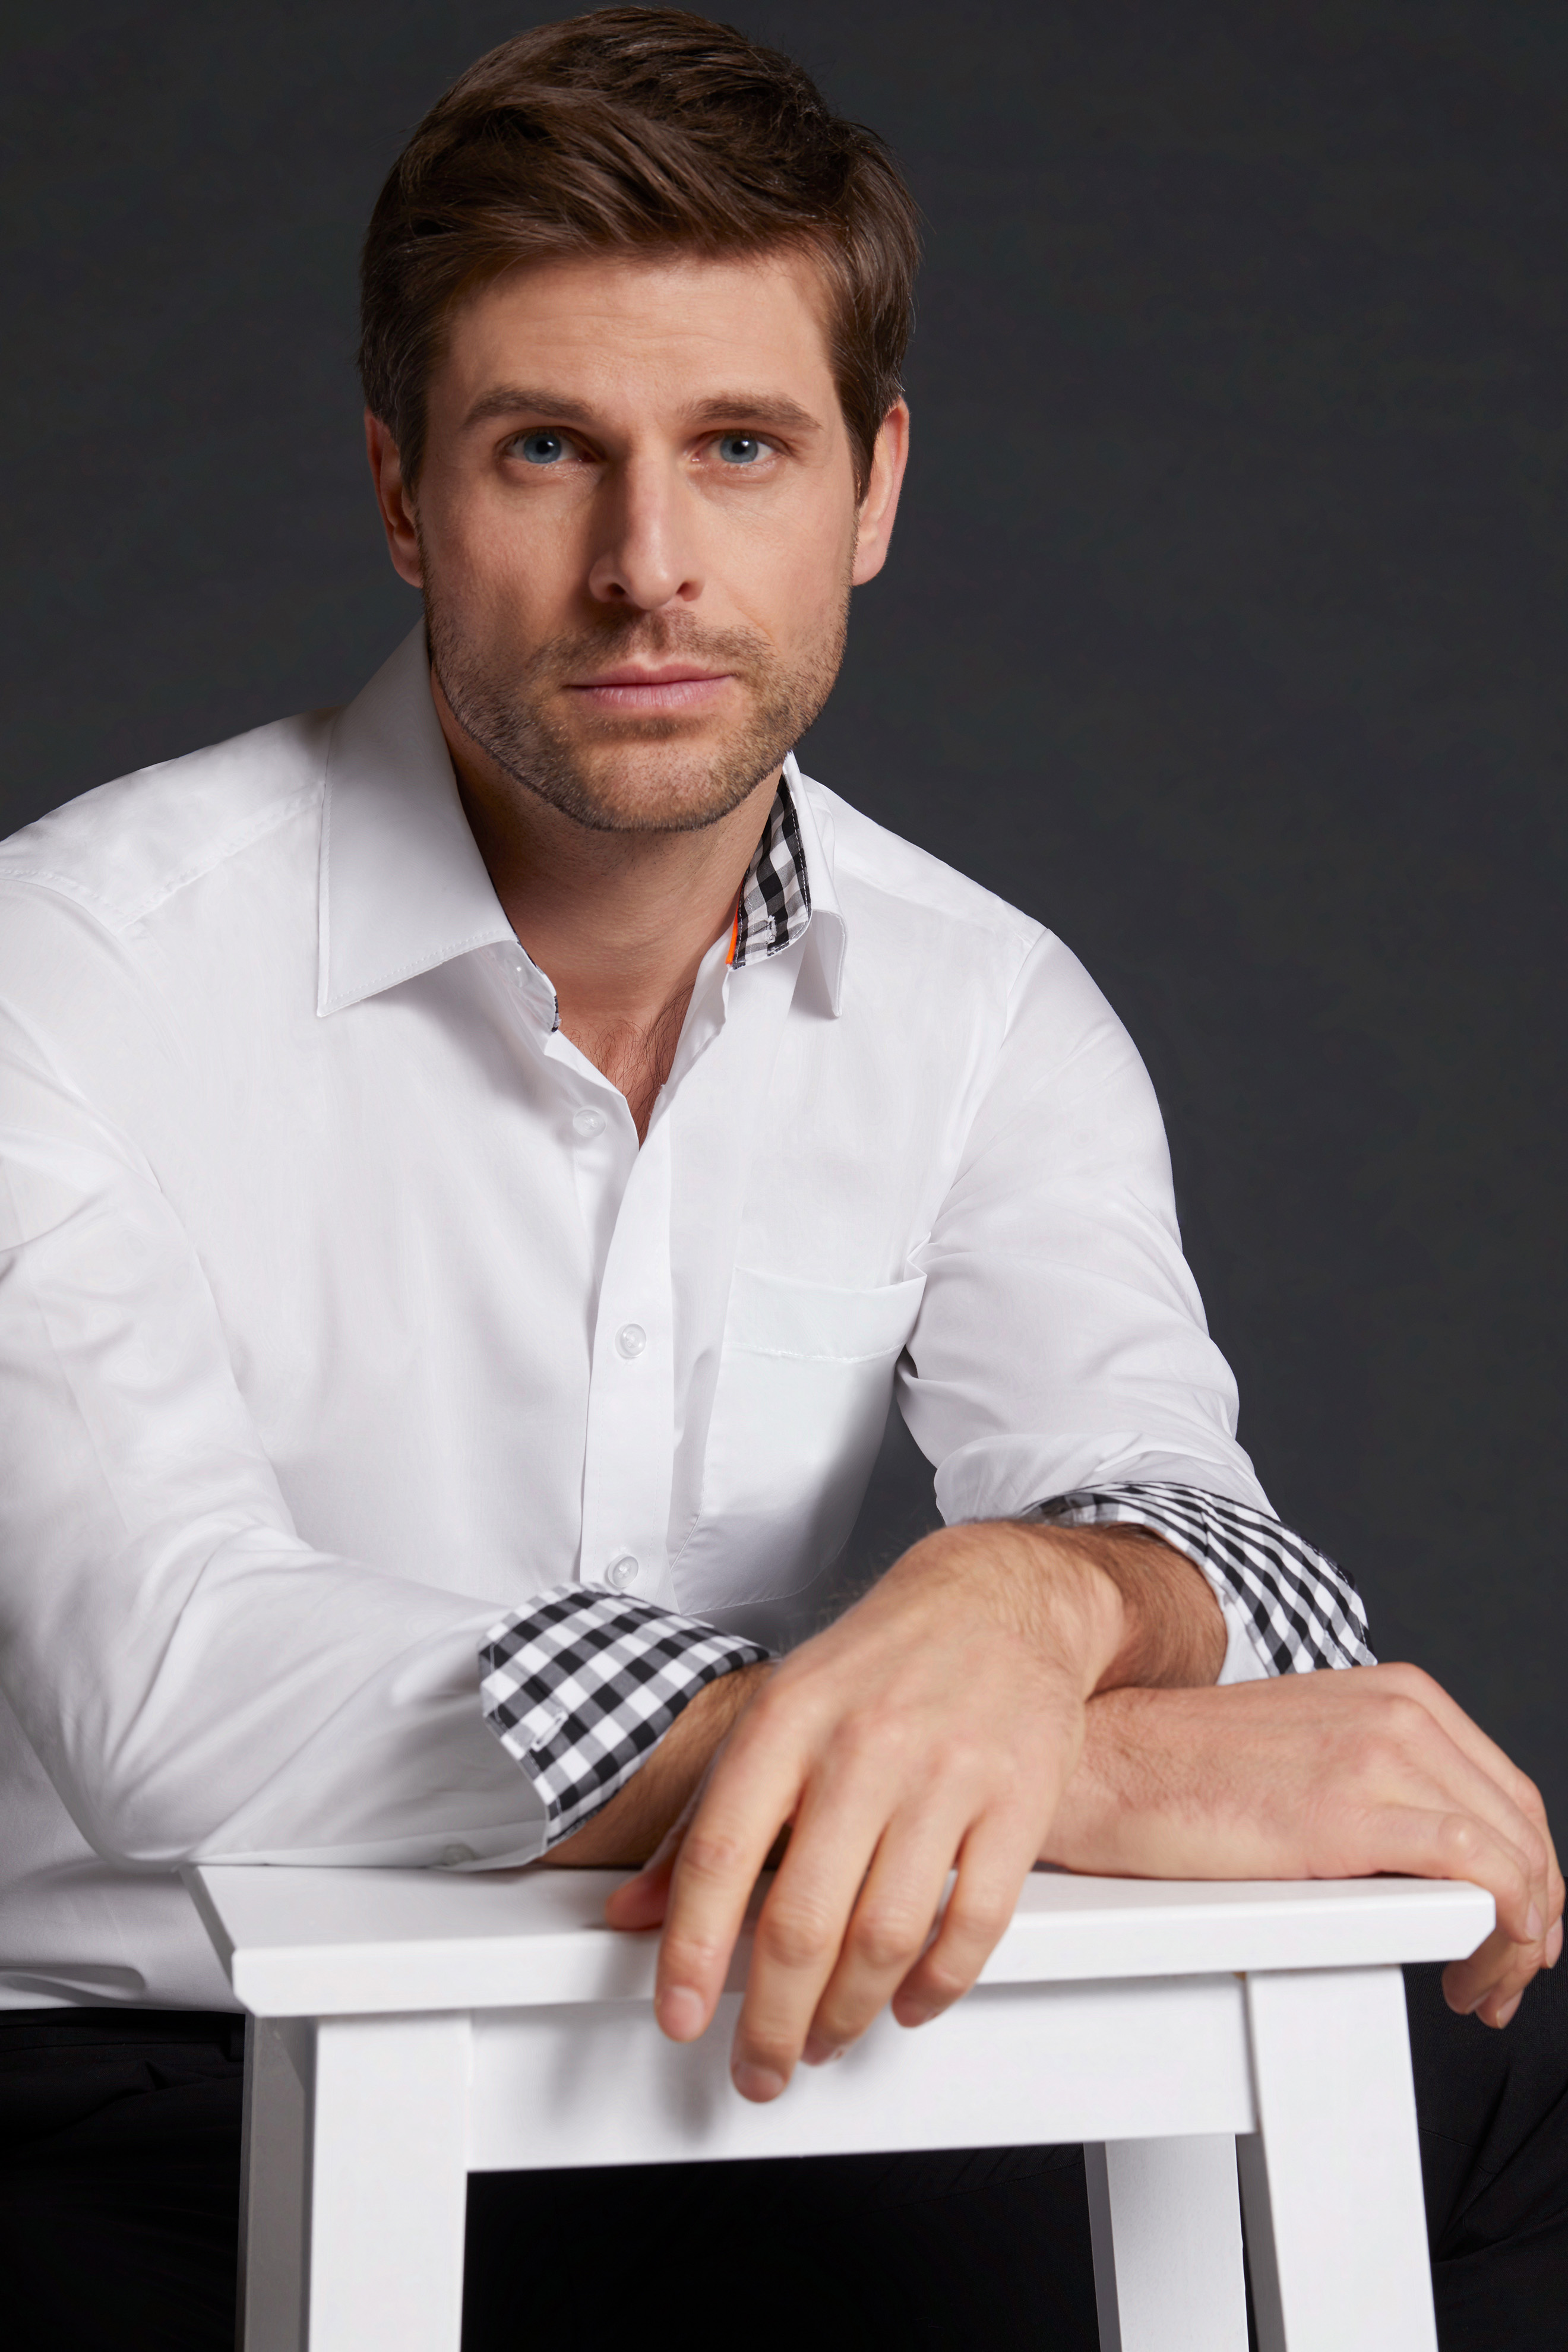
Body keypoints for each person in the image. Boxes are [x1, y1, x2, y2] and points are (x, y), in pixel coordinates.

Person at [0, 12, 1561, 2349]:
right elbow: (175, 1674)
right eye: (548, 449)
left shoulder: (988, 1006)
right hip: (152, 2095)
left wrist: (1020, 1614)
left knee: (1507, 2114)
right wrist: (991, 1752)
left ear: (872, 489)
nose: (648, 568)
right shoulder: (62, 965)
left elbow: (1208, 1542)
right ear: (405, 494)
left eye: (739, 448)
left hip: (724, 2050)